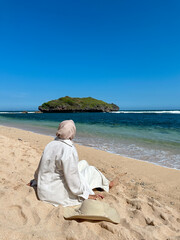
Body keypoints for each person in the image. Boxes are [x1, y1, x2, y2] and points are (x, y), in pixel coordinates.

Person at [33, 120, 116, 207]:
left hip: (45, 190)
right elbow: (71, 178)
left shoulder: (51, 144)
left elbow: (41, 167)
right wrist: (85, 195)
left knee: (83, 163)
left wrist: (35, 180)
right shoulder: (68, 149)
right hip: (57, 195)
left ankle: (105, 182)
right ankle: (108, 184)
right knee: (91, 170)